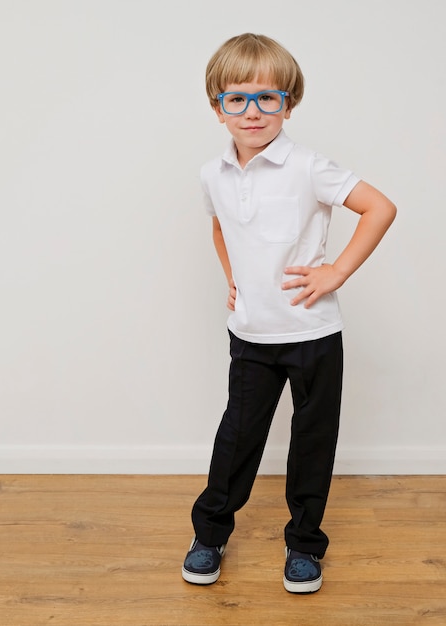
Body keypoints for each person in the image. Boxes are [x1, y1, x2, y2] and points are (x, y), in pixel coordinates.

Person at [182, 33, 396, 594]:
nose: (252, 112)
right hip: (251, 334)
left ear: (288, 103)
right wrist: (234, 277)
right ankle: (209, 535)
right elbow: (219, 225)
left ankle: (304, 545)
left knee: (312, 439)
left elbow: (379, 207)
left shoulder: (308, 167)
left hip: (313, 333)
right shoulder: (213, 173)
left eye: (267, 98)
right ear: (217, 106)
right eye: (237, 99)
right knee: (237, 439)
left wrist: (336, 273)